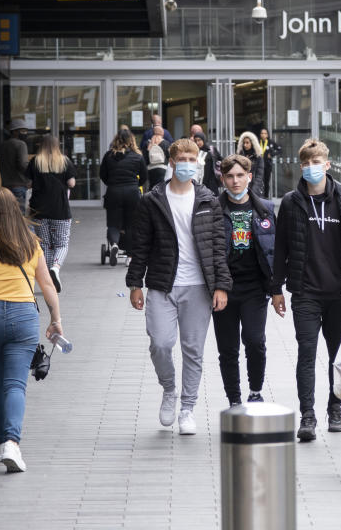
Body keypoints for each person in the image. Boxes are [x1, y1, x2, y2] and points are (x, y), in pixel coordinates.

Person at [126, 138, 231, 435]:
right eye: (181, 158)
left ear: (198, 161)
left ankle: (187, 407)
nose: (187, 162)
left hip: (199, 286)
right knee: (160, 343)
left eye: (192, 158)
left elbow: (217, 248)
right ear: (171, 162)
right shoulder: (153, 200)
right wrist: (135, 282)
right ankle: (169, 389)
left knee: (193, 350)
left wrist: (221, 286)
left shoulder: (209, 199)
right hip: (162, 283)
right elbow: (141, 244)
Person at [0, 187, 62, 474]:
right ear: (15, 210)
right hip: (24, 316)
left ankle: (0, 441)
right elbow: (48, 284)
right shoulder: (31, 242)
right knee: (15, 383)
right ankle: (11, 444)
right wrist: (56, 318)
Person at [271, 138, 341, 441]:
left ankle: (335, 408)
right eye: (306, 164)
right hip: (305, 292)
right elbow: (280, 247)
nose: (311, 168)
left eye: (316, 162)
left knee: (337, 356)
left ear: (328, 165)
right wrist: (276, 289)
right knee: (306, 354)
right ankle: (307, 415)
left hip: (340, 295)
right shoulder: (292, 202)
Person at [213, 155, 275, 406]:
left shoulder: (265, 208)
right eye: (230, 176)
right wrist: (218, 285)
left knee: (255, 341)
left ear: (249, 176)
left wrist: (275, 287)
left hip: (254, 289)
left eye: (240, 175)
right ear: (223, 179)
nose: (235, 181)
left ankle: (256, 390)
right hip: (224, 289)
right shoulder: (214, 209)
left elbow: (274, 249)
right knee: (228, 349)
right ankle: (234, 399)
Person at [26, 134, 76, 292]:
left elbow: (28, 183)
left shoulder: (35, 161)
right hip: (60, 208)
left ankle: (48, 278)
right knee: (61, 243)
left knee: (44, 244)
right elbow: (72, 183)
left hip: (39, 209)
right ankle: (55, 267)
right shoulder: (64, 161)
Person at [99, 128, 147, 265]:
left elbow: (102, 175)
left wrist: (112, 183)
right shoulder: (137, 157)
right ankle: (130, 257)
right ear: (131, 141)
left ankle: (114, 244)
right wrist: (134, 184)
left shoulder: (108, 156)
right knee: (132, 225)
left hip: (113, 192)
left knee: (113, 224)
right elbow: (144, 177)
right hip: (132, 192)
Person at [0, 119, 31, 213]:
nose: (25, 133)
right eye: (23, 130)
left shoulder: (3, 145)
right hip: (19, 186)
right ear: (15, 131)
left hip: (5, 186)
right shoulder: (21, 144)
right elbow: (23, 165)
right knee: (20, 218)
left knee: (9, 216)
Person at [236, 131, 265, 197]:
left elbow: (259, 176)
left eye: (247, 143)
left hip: (255, 188)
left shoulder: (258, 157)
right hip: (242, 187)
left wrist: (254, 190)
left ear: (252, 143)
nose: (245, 145)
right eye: (244, 143)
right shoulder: (240, 156)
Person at [258, 128, 281, 197]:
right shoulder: (258, 142)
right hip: (259, 165)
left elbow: (279, 149)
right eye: (262, 133)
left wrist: (271, 154)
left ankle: (266, 196)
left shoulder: (271, 142)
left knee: (266, 181)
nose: (263, 135)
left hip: (267, 165)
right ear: (260, 134)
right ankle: (259, 195)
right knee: (259, 181)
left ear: (267, 135)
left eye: (265, 133)